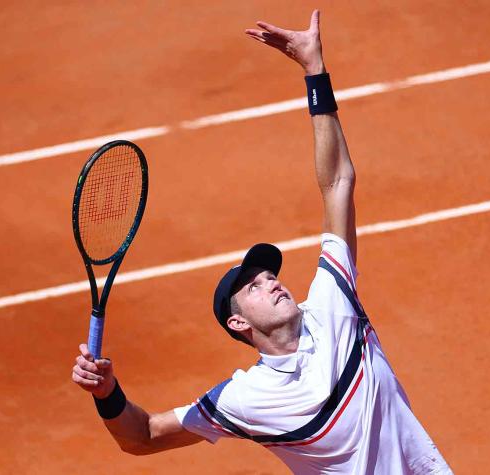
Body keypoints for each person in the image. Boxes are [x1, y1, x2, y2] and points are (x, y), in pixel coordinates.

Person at [72, 10, 452, 474]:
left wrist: (315, 71)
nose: (272, 282)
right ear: (237, 324)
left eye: (270, 275)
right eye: (254, 286)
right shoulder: (245, 399)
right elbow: (143, 436)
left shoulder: (334, 305)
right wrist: (107, 393)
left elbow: (338, 182)